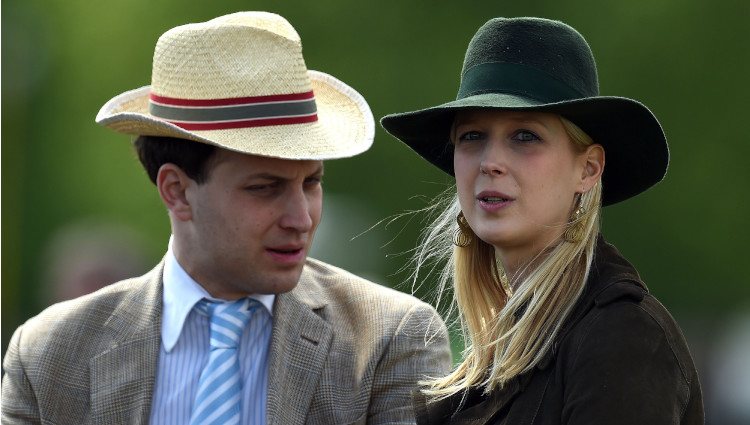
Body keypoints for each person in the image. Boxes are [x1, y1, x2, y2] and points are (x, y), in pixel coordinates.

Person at [2, 12, 451, 424]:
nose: (302, 218)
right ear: (176, 191)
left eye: (311, 182)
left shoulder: (389, 339)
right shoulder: (48, 355)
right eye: (265, 188)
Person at [381, 17, 703, 424]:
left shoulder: (622, 337)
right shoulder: (498, 359)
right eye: (472, 136)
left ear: (588, 169)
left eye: (525, 136)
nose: (490, 162)